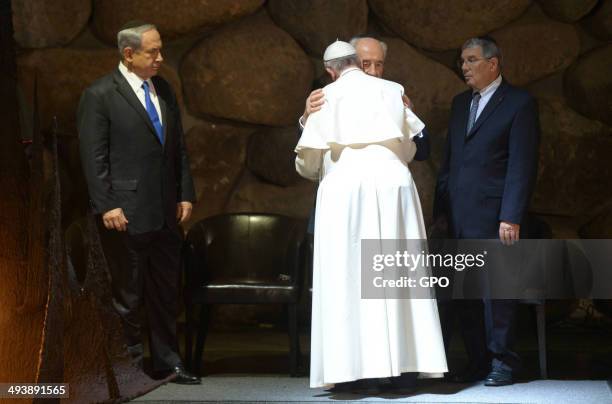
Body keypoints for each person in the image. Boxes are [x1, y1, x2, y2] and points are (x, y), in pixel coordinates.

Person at [296, 40, 447, 392]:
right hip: (394, 187)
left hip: (345, 189)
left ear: (331, 69)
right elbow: (412, 145)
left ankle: (352, 372)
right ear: (356, 62)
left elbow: (307, 162)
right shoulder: (394, 91)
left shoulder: (326, 95)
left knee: (347, 277)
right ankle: (402, 369)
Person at [77, 21, 199, 384]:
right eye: (153, 52)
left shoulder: (162, 88)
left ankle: (167, 361)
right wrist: (107, 204)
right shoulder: (100, 94)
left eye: (161, 50)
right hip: (125, 211)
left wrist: (185, 193)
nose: (161, 58)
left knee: (164, 291)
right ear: (128, 55)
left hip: (164, 210)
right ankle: (127, 367)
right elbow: (93, 156)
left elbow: (177, 147)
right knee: (127, 295)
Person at [433, 36, 540, 386]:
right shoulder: (460, 103)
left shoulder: (519, 103)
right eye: (462, 60)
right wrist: (442, 210)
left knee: (498, 293)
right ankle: (479, 359)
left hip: (496, 216)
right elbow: (450, 160)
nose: (464, 67)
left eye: (472, 60)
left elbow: (521, 164)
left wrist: (511, 215)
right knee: (466, 294)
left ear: (493, 64)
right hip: (459, 215)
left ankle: (504, 362)